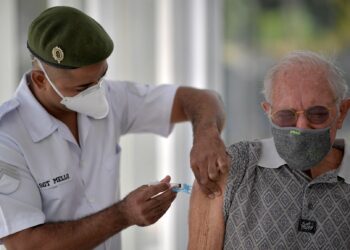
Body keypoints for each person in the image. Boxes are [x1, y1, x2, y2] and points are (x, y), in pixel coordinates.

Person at [0, 6, 229, 250]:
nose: (96, 92)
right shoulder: (8, 138)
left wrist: (206, 134)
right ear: (40, 79)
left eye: (101, 78)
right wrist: (124, 214)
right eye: (82, 88)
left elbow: (204, 99)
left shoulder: (109, 96)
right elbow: (27, 245)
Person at [188, 50, 350, 249]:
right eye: (286, 116)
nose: (301, 127)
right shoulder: (230, 167)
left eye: (317, 114)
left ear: (342, 112)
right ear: (269, 112)